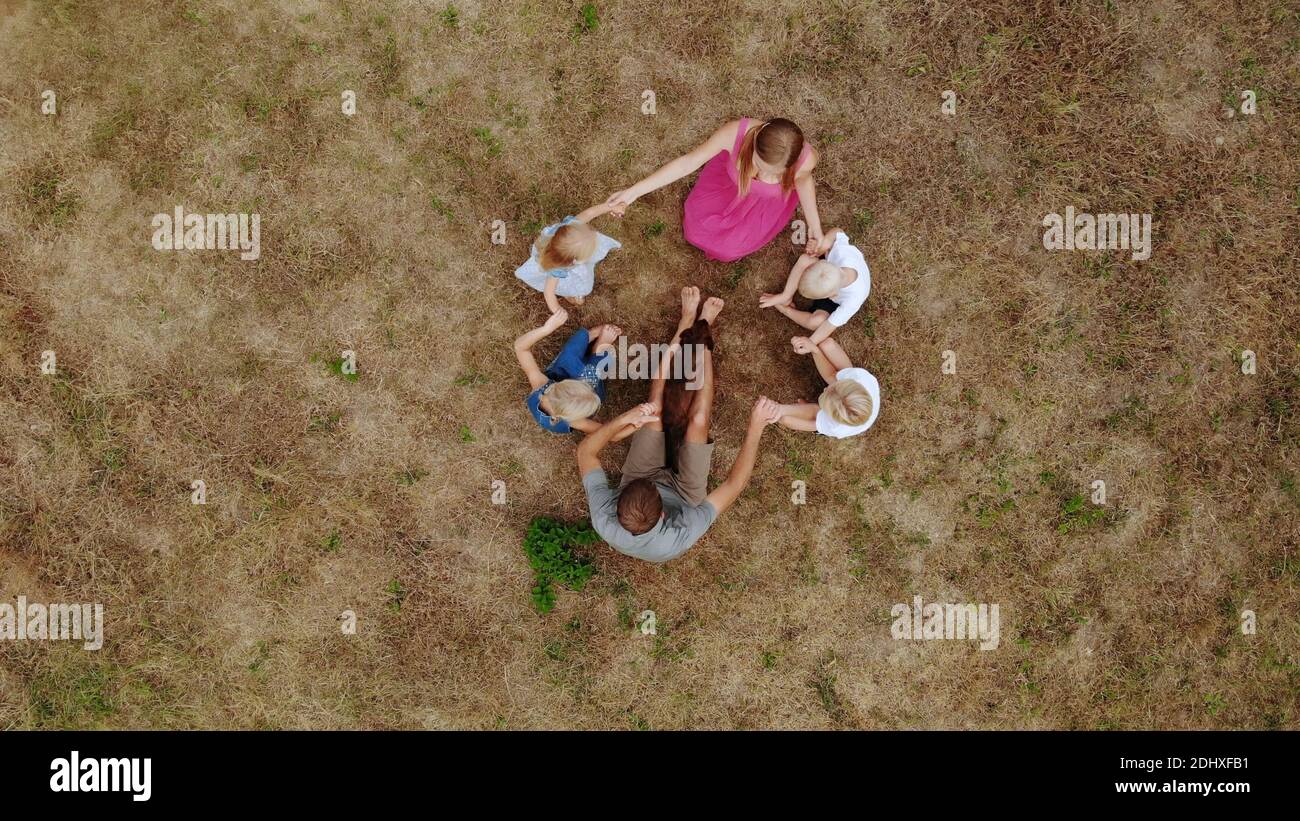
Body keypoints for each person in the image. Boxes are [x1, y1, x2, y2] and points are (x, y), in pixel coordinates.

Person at [576, 287, 782, 562]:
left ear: (617, 502)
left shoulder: (604, 517)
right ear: (663, 516)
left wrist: (627, 418)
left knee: (655, 409)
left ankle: (685, 325)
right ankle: (704, 332)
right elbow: (733, 486)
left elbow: (585, 452)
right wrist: (756, 427)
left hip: (641, 473)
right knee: (698, 420)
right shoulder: (677, 537)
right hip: (684, 493)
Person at [604, 117, 823, 262]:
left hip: (760, 209)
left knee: (729, 249)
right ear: (755, 142)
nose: (765, 177)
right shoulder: (735, 133)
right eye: (760, 166)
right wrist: (633, 192)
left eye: (776, 174)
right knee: (696, 227)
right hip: (723, 190)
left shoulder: (806, 161)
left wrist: (814, 225)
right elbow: (687, 163)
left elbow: (803, 181)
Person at [513, 307, 629, 435]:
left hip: (561, 372)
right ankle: (599, 348)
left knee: (569, 355)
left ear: (554, 386)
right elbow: (611, 435)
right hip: (585, 382)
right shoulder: (574, 421)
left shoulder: (540, 386)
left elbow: (520, 347)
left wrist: (547, 328)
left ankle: (592, 335)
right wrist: (634, 422)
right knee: (592, 373)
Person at [759, 227, 871, 349]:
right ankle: (786, 296)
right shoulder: (840, 252)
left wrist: (810, 342)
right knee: (805, 259)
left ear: (832, 296)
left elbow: (829, 326)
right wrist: (824, 244)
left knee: (817, 322)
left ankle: (786, 310)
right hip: (827, 275)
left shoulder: (853, 299)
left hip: (835, 294)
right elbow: (838, 232)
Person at [514, 203, 621, 312]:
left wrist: (611, 207)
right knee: (583, 287)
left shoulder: (567, 230)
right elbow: (549, 292)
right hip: (552, 262)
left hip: (546, 250)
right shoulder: (557, 269)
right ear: (576, 261)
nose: (592, 232)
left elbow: (589, 213)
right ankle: (568, 294)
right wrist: (557, 310)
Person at [774, 337, 881, 439]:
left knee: (787, 417)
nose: (824, 389)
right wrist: (815, 350)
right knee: (827, 345)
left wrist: (778, 413)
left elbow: (797, 422)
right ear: (847, 383)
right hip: (853, 385)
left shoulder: (835, 427)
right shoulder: (860, 377)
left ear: (830, 415)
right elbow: (831, 375)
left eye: (825, 394)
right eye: (832, 386)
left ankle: (802, 410)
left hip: (831, 420)